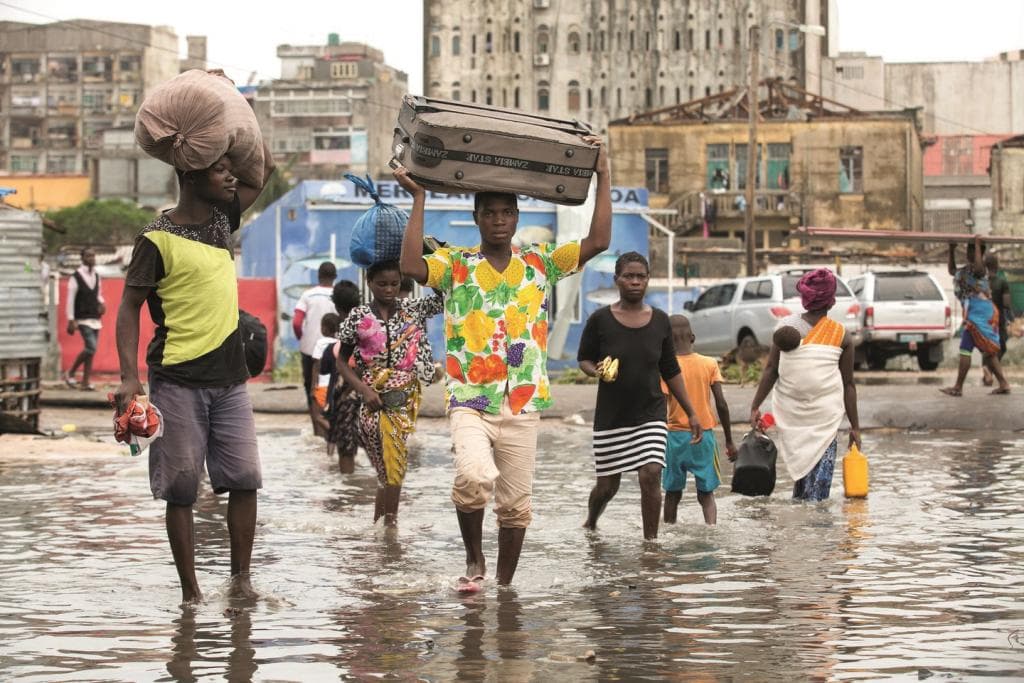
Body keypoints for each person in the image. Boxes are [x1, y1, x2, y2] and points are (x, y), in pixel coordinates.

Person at [396, 135, 612, 589]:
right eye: (489, 213)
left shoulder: (541, 263)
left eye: (506, 213)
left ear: (517, 218)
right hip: (470, 397)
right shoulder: (456, 264)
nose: (498, 220)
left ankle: (503, 586)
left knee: (516, 505)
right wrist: (419, 198)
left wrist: (602, 173)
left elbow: (598, 240)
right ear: (476, 218)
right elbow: (411, 267)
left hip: (523, 399)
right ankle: (474, 559)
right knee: (473, 477)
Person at [114, 147, 275, 604]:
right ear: (189, 176)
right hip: (177, 380)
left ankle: (241, 582)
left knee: (245, 479)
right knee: (181, 489)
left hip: (230, 380)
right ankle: (191, 594)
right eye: (220, 170)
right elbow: (128, 308)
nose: (230, 179)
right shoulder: (155, 239)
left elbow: (262, 172)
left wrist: (230, 111)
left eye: (229, 171)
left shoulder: (221, 223)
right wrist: (130, 377)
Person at [577, 253, 703, 540]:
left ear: (648, 280)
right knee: (607, 487)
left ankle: (651, 544)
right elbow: (584, 358)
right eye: (628, 276)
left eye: (641, 276)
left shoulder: (660, 321)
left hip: (651, 412)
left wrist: (692, 412)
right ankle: (592, 520)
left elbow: (670, 369)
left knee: (650, 473)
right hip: (612, 417)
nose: (635, 281)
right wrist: (594, 370)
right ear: (617, 280)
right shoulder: (600, 320)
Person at [336, 260, 443, 527]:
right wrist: (363, 389)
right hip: (371, 399)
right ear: (369, 283)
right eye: (382, 284)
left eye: (395, 284)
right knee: (389, 468)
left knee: (391, 468)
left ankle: (385, 530)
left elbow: (444, 298)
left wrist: (427, 261)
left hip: (404, 399)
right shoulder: (359, 317)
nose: (389, 289)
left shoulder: (413, 310)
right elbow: (341, 359)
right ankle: (387, 531)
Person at [748, 268, 862, 502]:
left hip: (793, 418)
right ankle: (815, 534)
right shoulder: (842, 335)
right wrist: (855, 427)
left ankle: (801, 534)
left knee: (802, 490)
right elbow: (848, 384)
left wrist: (755, 406)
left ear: (804, 298)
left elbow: (771, 370)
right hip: (825, 421)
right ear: (831, 301)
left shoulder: (785, 328)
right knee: (817, 497)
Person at [661, 315, 735, 526]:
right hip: (704, 437)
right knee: (706, 495)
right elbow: (721, 404)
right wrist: (729, 440)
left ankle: (668, 533)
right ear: (692, 337)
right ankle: (711, 530)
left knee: (672, 494)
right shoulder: (709, 364)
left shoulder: (666, 368)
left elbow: (660, 406)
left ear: (667, 340)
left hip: (674, 437)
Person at [941, 237, 1010, 396]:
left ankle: (958, 387)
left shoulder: (981, 270)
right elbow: (952, 270)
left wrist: (978, 245)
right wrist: (951, 249)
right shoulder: (965, 270)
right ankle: (1004, 384)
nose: (968, 253)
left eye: (971, 250)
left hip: (980, 314)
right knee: (989, 352)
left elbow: (979, 269)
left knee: (965, 348)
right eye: (968, 250)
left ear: (980, 252)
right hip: (976, 312)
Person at [294, 261, 338, 427]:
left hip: (310, 349)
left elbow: (297, 322)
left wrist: (303, 338)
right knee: (333, 382)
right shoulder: (338, 295)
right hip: (334, 349)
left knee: (311, 386)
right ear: (334, 277)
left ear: (318, 276)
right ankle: (332, 419)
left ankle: (316, 422)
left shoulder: (307, 295)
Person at [325, 280, 362, 473]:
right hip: (370, 390)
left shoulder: (345, 327)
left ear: (337, 306)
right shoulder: (368, 321)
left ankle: (348, 491)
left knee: (346, 449)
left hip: (348, 393)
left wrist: (345, 390)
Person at [64, 247, 105, 391]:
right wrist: (71, 319)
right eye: (88, 256)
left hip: (95, 317)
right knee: (91, 347)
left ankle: (86, 382)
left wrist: (101, 303)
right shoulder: (76, 276)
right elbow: (70, 299)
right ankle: (70, 372)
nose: (91, 258)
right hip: (81, 318)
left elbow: (98, 294)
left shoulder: (97, 276)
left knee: (91, 351)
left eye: (93, 256)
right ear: (82, 258)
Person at [983, 252, 1013, 386]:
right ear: (997, 265)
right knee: (1002, 347)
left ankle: (988, 371)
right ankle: (988, 368)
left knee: (988, 346)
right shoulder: (1002, 282)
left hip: (984, 319)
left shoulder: (982, 282)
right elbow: (1006, 304)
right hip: (998, 319)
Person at [308, 312, 341, 428]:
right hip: (335, 386)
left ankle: (333, 433)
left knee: (317, 416)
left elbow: (316, 367)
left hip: (322, 386)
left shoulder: (320, 343)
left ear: (325, 329)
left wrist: (312, 388)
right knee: (331, 414)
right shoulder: (339, 343)